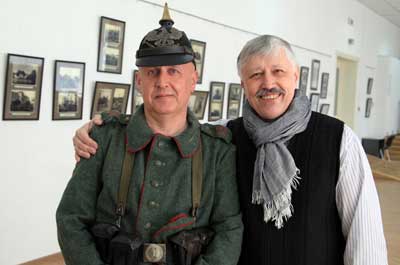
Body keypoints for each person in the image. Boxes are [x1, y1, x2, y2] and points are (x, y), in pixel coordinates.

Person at [73, 34, 388, 265]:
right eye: (256, 75)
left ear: (295, 76)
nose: (268, 83)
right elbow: (167, 127)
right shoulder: (224, 136)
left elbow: (364, 234)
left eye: (278, 71)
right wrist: (103, 129)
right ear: (243, 84)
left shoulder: (338, 138)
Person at [57, 5, 243, 265]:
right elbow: (71, 218)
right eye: (152, 72)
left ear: (193, 80)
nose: (162, 81)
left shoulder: (217, 150)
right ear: (139, 81)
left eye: (173, 71)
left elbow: (229, 228)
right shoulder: (105, 138)